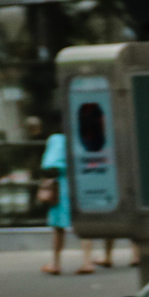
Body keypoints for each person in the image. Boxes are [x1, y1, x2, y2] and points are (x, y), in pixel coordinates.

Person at [37, 116, 94, 276]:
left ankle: (55, 263)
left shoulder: (56, 139)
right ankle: (87, 261)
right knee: (83, 223)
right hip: (81, 183)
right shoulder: (82, 136)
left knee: (58, 227)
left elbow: (49, 164)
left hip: (61, 185)